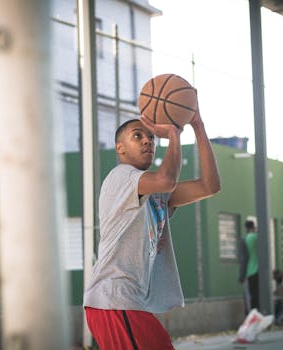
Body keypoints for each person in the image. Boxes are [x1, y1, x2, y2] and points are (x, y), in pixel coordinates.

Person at [83, 107, 221, 349]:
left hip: (126, 303)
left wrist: (198, 125)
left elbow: (209, 186)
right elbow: (167, 179)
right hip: (114, 299)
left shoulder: (156, 194)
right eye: (138, 135)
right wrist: (174, 134)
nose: (148, 140)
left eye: (151, 137)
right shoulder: (121, 176)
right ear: (120, 148)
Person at [238, 219, 259, 312]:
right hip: (260, 272)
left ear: (246, 228)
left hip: (250, 272)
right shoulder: (259, 237)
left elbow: (244, 259)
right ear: (254, 227)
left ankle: (251, 317)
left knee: (250, 298)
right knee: (258, 297)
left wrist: (241, 276)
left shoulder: (245, 239)